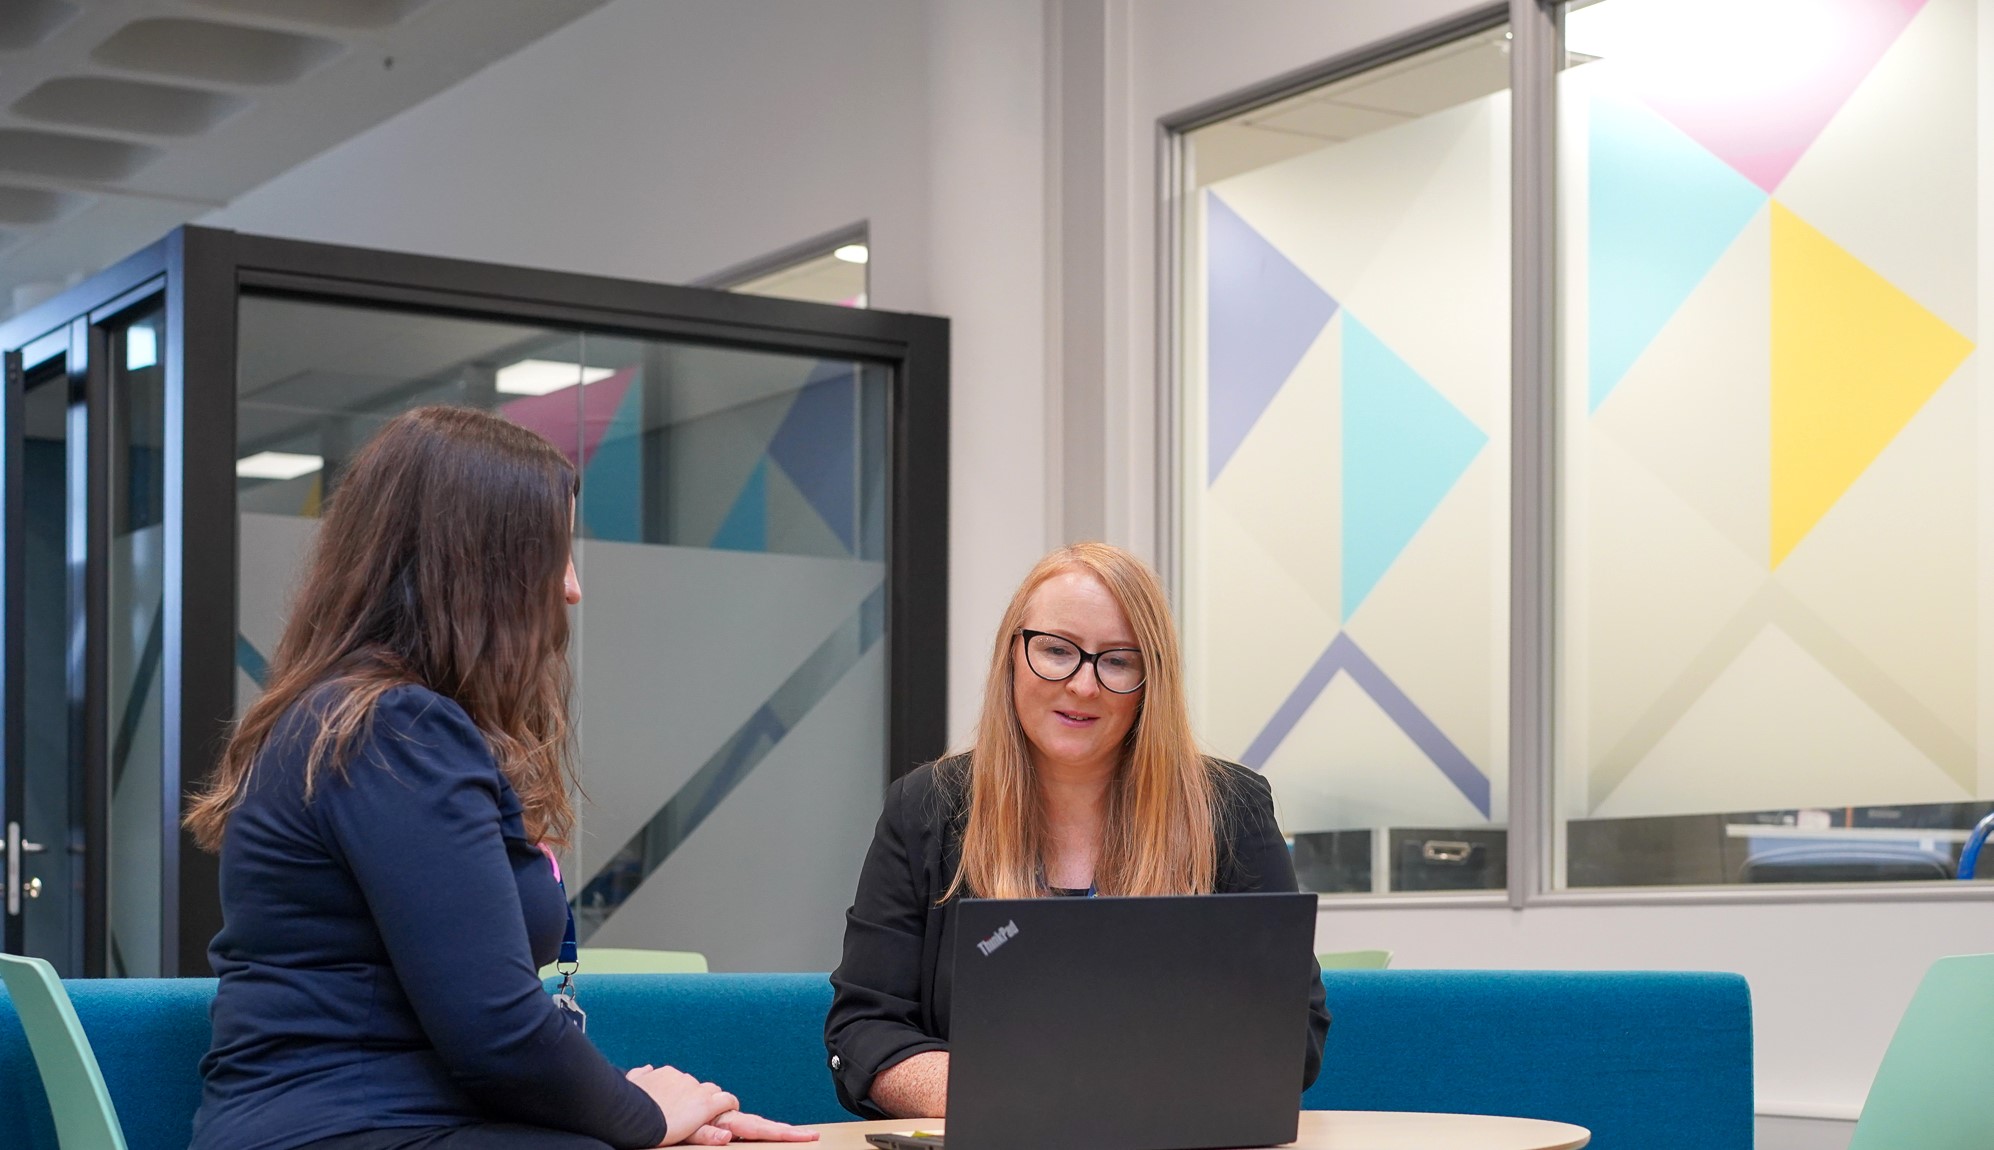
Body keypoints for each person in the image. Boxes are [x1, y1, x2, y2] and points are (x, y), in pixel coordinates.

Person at [185, 406, 816, 1150]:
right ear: (476, 564)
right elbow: (494, 1031)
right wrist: (642, 1116)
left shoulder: (359, 720)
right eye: (555, 554)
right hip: (346, 1129)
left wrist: (636, 1108)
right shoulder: (394, 730)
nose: (573, 588)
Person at [824, 542, 1331, 1119]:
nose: (1083, 686)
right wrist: (1007, 1095)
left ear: (1151, 680)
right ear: (1012, 654)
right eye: (1057, 650)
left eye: (1117, 660)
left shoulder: (1229, 809)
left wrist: (1086, 1093)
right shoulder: (924, 809)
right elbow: (865, 1027)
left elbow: (1293, 1036)